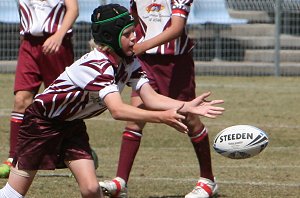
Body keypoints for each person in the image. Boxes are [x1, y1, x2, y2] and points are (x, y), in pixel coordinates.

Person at [0, 4, 224, 198]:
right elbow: (117, 110)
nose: (135, 36)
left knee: (90, 189)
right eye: (128, 34)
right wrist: (162, 117)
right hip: (40, 124)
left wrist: (185, 106)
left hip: (71, 125)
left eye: (133, 31)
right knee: (14, 194)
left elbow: (151, 97)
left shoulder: (129, 61)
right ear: (111, 38)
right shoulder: (98, 66)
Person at [99, 1, 219, 198]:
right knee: (135, 118)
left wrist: (142, 45)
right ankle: (121, 182)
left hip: (175, 63)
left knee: (189, 117)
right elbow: (134, 20)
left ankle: (208, 180)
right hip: (145, 61)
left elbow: (177, 29)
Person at [0, 0, 80, 178]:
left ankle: (78, 150)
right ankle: (13, 158)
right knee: (21, 100)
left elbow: (73, 9)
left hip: (57, 44)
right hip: (29, 45)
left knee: (62, 102)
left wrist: (59, 35)